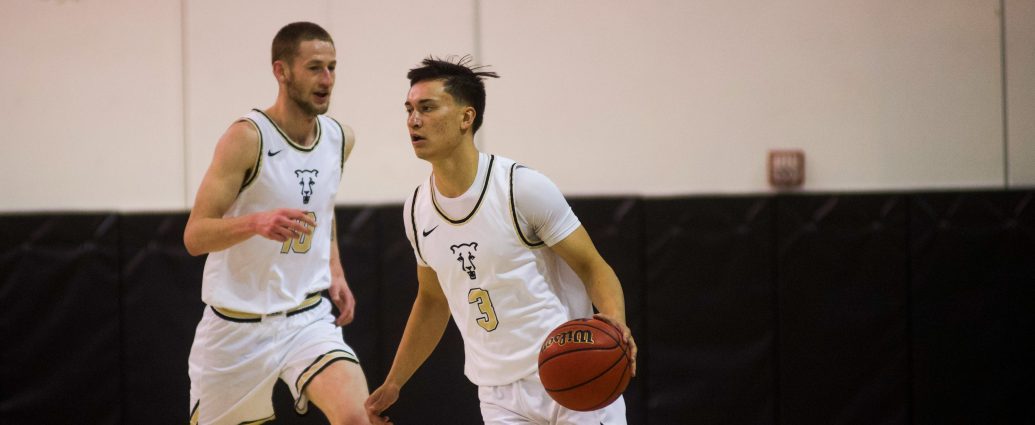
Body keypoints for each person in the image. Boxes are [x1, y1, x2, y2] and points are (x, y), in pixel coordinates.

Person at [365, 56, 637, 425]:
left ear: (466, 117)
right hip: (498, 396)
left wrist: (614, 325)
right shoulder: (416, 209)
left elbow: (592, 266)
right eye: (409, 109)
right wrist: (395, 382)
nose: (414, 120)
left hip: (571, 368)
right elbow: (431, 299)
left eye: (427, 108)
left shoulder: (520, 188)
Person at [183, 22, 370, 425]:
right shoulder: (246, 138)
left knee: (357, 417)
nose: (327, 80)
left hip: (307, 317)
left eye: (333, 68)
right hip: (236, 328)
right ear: (281, 71)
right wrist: (255, 222)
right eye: (315, 68)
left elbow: (324, 207)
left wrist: (333, 269)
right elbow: (195, 236)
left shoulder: (340, 138)